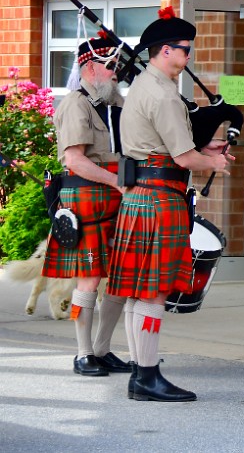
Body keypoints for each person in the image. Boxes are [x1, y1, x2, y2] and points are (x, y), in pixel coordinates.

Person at [107, 7, 232, 402]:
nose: (188, 55)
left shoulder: (145, 86)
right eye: (184, 49)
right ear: (164, 51)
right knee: (155, 291)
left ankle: (140, 373)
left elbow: (170, 144)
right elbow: (182, 157)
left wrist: (204, 146)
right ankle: (146, 375)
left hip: (142, 195)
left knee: (139, 291)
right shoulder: (162, 94)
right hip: (160, 197)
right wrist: (215, 161)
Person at [44, 36, 132, 378]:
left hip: (117, 197)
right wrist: (115, 183)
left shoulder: (117, 105)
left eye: (117, 67)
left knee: (122, 277)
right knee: (90, 279)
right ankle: (83, 354)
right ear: (89, 67)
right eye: (110, 66)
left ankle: (103, 349)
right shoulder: (75, 105)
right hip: (87, 198)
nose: (116, 73)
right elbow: (75, 160)